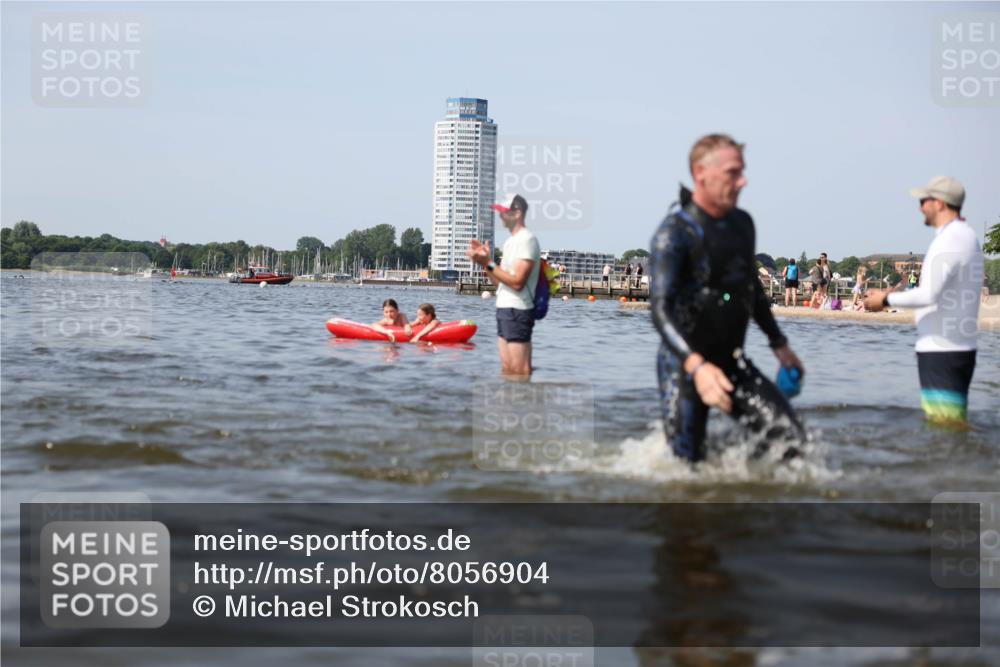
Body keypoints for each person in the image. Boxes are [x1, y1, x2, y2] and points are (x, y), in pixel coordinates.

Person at [650, 134, 806, 463]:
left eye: (742, 172)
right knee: (687, 470)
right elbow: (660, 310)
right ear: (700, 172)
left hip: (731, 362)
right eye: (733, 173)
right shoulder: (674, 233)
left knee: (791, 443)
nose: (743, 181)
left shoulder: (742, 224)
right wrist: (698, 367)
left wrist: (778, 342)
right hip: (684, 365)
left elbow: (750, 286)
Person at [865, 176, 983, 425]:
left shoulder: (952, 238)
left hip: (943, 349)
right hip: (952, 347)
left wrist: (885, 299)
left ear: (939, 203)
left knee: (945, 426)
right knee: (947, 424)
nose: (919, 207)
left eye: (923, 201)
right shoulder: (964, 235)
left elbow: (929, 294)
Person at [466, 193, 540, 377]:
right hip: (504, 308)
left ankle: (522, 404)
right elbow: (500, 283)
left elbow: (517, 283)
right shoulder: (510, 242)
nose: (500, 216)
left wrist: (489, 262)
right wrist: (485, 263)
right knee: (507, 369)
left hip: (518, 309)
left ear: (517, 213)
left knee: (520, 371)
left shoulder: (526, 239)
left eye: (504, 212)